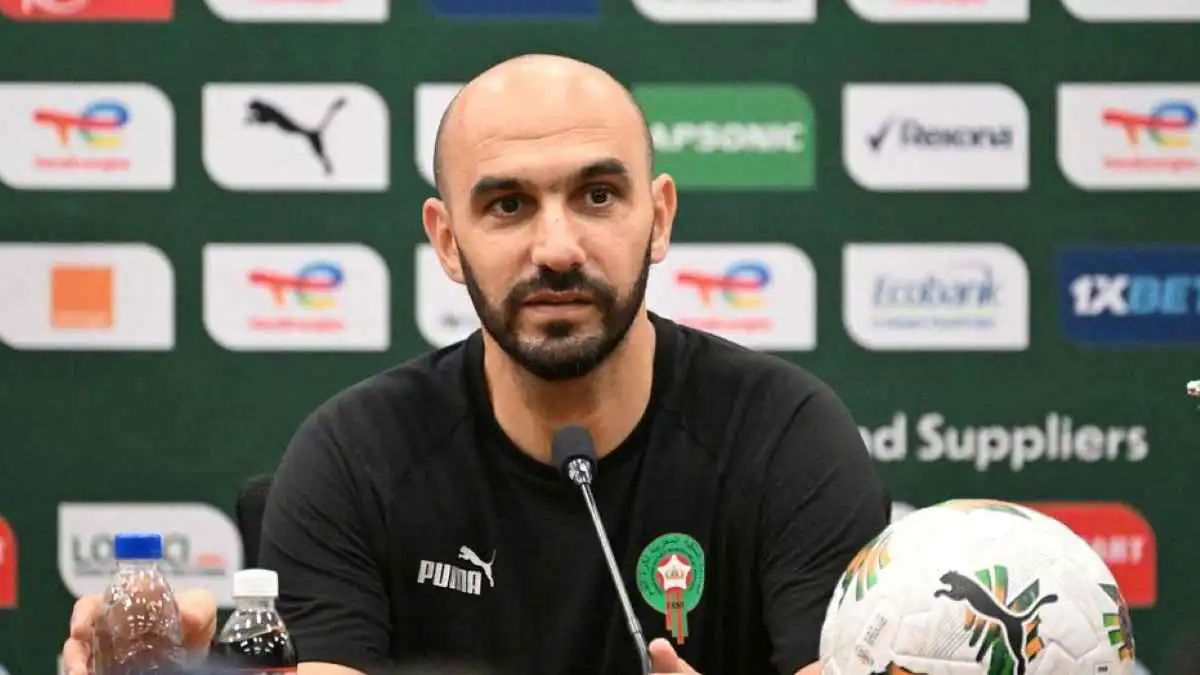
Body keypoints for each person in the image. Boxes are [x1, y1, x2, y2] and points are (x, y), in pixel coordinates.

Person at [63, 53, 889, 675]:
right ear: (448, 241)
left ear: (659, 217)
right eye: (508, 205)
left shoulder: (786, 437)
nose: (557, 248)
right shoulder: (356, 456)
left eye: (598, 196)